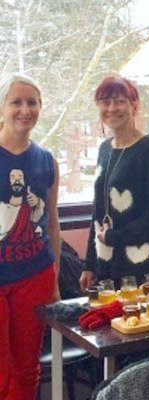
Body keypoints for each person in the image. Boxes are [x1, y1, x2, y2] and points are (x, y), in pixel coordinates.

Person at [80, 76, 149, 291]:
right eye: (105, 102)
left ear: (134, 105)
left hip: (144, 261)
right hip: (109, 260)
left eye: (119, 101)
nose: (112, 108)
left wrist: (116, 237)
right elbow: (99, 211)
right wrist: (89, 264)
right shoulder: (105, 149)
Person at [0, 72, 60, 399]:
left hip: (34, 274)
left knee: (27, 370)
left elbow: (52, 224)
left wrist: (53, 281)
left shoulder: (47, 160)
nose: (25, 109)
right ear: (2, 108)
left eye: (32, 102)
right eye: (16, 102)